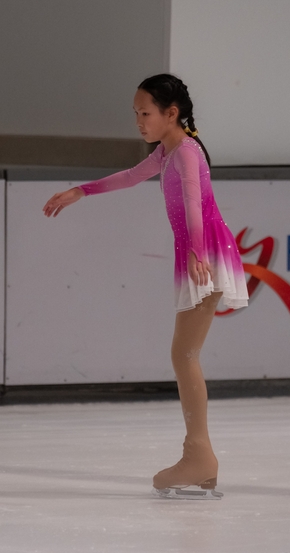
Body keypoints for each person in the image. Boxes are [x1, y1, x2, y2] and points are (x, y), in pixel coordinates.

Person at [43, 73, 249, 500]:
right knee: (184, 354)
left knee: (184, 354)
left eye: (145, 113)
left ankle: (199, 456)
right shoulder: (168, 151)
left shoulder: (186, 152)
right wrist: (82, 190)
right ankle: (200, 458)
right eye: (135, 113)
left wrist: (196, 252)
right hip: (200, 251)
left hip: (205, 253)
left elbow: (194, 203)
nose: (139, 121)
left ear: (171, 113)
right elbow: (131, 176)